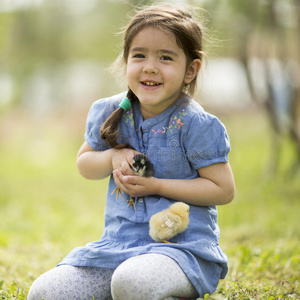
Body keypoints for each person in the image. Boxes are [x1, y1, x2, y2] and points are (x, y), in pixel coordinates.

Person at [28, 3, 235, 300]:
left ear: (191, 69)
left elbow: (223, 190)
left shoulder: (195, 124)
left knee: (132, 282)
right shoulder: (111, 112)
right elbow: (85, 164)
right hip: (116, 249)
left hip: (180, 253)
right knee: (45, 292)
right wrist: (112, 156)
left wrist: (157, 186)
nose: (150, 66)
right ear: (126, 61)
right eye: (139, 55)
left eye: (165, 57)